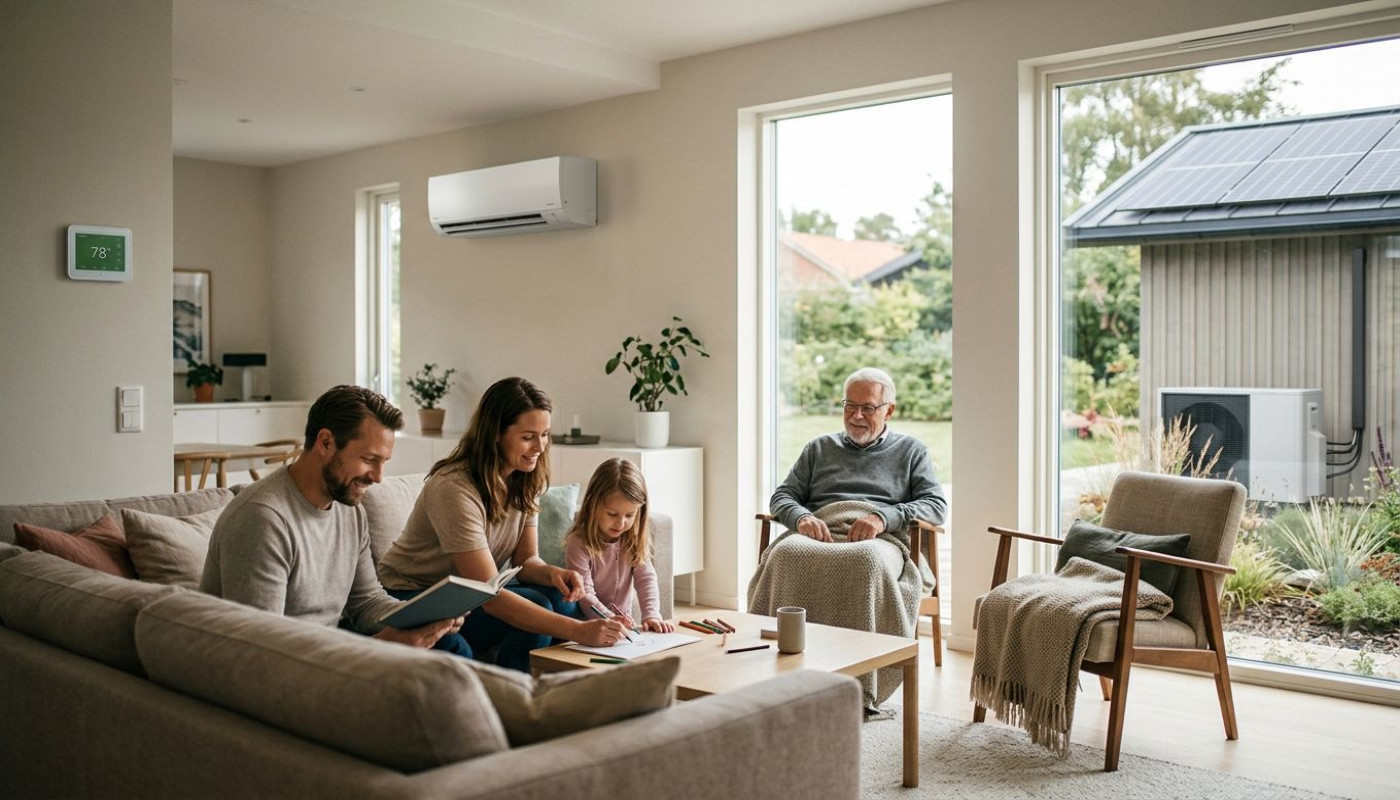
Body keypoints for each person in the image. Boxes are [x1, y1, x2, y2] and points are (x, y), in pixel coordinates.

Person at [377, 377, 626, 671]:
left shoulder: (525, 479)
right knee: (544, 608)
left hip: (465, 594)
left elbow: (526, 561)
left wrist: (554, 574)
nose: (540, 446)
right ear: (495, 433)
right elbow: (488, 595)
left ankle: (528, 680)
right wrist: (579, 630)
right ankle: (512, 688)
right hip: (414, 593)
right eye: (528, 437)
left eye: (545, 435)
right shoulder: (454, 487)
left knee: (561, 600)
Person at [201, 385, 467, 654]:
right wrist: (380, 647)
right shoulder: (262, 519)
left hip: (323, 647)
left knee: (450, 644)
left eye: (384, 462)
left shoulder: (348, 509)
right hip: (279, 659)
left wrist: (422, 616)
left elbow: (365, 602)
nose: (378, 477)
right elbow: (262, 647)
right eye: (369, 459)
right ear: (325, 442)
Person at [749, 366, 947, 714]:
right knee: (786, 553)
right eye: (849, 406)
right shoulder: (818, 449)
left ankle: (858, 684)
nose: (856, 416)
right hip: (822, 529)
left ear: (889, 410)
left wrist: (883, 517)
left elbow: (935, 506)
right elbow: (782, 496)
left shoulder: (911, 451)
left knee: (865, 560)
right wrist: (802, 517)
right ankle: (776, 673)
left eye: (868, 408)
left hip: (882, 539)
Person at [564, 458, 675, 634]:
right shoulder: (578, 542)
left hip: (622, 627)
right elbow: (585, 593)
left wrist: (652, 614)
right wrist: (610, 618)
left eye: (629, 515)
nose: (621, 523)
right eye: (612, 514)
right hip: (588, 628)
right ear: (593, 504)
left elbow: (646, 579)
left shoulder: (632, 539)